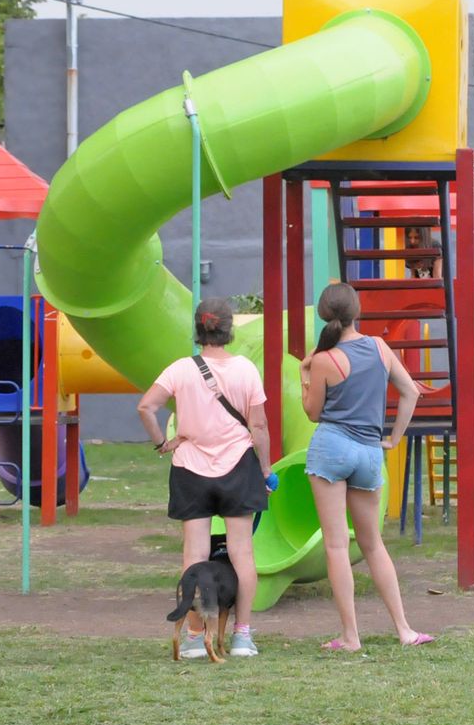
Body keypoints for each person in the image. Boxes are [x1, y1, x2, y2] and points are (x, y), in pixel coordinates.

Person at [137, 298, 274, 659]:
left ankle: (196, 636)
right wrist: (265, 469)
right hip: (238, 467)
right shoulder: (246, 369)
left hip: (190, 469)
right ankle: (242, 636)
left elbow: (146, 407)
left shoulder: (181, 369)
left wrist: (161, 443)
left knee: (194, 554)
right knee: (242, 553)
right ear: (229, 330)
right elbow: (258, 425)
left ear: (198, 329)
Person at [300, 282, 433, 650]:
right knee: (373, 545)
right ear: (356, 311)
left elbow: (312, 414)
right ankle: (405, 630)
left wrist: (304, 376)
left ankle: (350, 636)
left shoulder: (325, 359)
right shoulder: (379, 347)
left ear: (324, 314)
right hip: (369, 452)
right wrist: (393, 438)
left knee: (337, 545)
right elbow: (411, 392)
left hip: (332, 449)